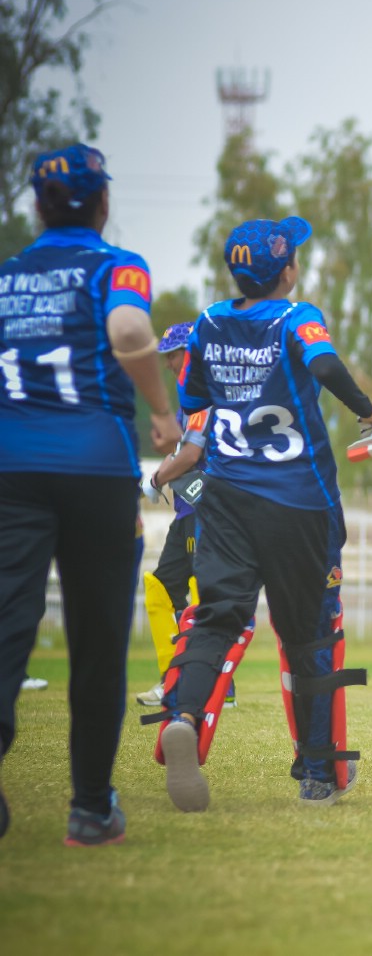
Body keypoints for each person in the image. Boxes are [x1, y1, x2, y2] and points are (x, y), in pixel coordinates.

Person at [147, 216, 372, 812]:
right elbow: (325, 366)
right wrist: (369, 409)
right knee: (309, 634)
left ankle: (184, 716)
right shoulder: (295, 317)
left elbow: (193, 400)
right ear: (287, 271)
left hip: (226, 500)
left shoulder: (208, 323)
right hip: (298, 501)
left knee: (216, 618)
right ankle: (317, 774)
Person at [0, 144, 181, 846]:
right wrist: (160, 411)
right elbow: (130, 328)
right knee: (99, 643)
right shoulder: (117, 266)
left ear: (37, 206)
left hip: (10, 470)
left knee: (7, 626)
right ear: (103, 202)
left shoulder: (8, 275)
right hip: (96, 468)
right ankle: (90, 808)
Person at [135, 322, 213, 708]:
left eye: (174, 354)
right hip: (188, 511)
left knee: (196, 595)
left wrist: (156, 478)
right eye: (166, 356)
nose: (168, 363)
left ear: (193, 352)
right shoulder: (189, 400)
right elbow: (183, 451)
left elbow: (191, 455)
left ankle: (192, 684)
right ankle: (185, 681)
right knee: (165, 589)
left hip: (204, 511)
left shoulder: (202, 395)